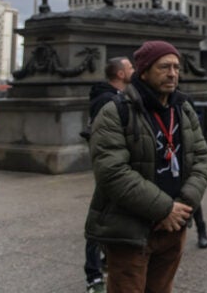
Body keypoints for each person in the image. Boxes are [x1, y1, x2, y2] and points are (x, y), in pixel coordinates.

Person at [85, 40, 207, 293]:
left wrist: (182, 208)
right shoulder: (115, 112)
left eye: (176, 67)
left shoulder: (183, 108)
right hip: (131, 231)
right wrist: (164, 209)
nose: (173, 73)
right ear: (143, 72)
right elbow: (112, 173)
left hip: (173, 228)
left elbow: (201, 159)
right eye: (164, 67)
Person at [82, 56, 134, 293]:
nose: (134, 69)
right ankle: (93, 276)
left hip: (117, 164)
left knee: (111, 217)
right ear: (121, 74)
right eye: (130, 67)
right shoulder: (107, 99)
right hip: (109, 167)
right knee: (100, 219)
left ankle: (105, 261)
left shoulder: (115, 97)